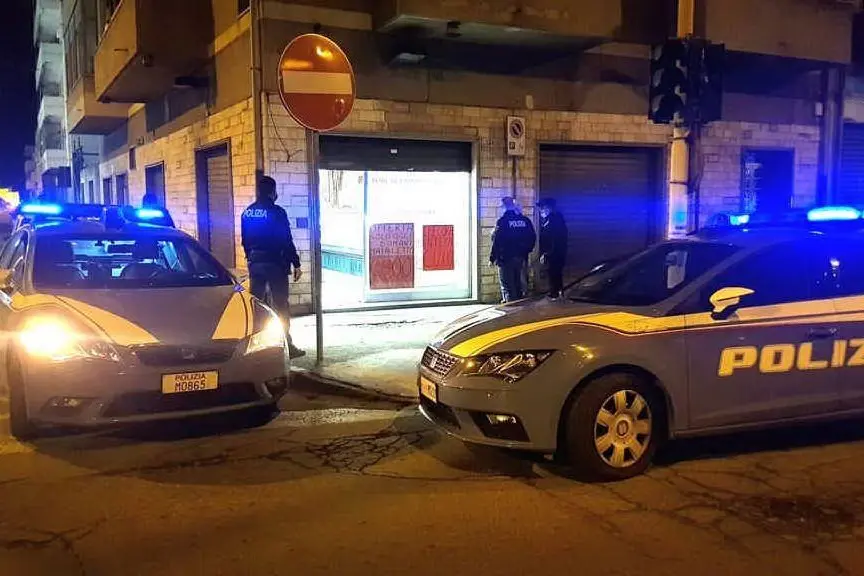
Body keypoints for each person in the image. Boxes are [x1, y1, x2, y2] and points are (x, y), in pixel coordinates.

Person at [241, 174, 305, 358]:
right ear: (272, 192)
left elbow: (244, 240)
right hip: (275, 265)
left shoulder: (248, 212)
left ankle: (254, 347)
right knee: (281, 306)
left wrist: (250, 258)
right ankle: (286, 346)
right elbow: (286, 239)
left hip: (255, 264)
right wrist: (296, 263)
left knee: (257, 307)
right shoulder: (277, 212)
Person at [490, 196, 536, 303]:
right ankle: (519, 305)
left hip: (506, 258)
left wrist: (492, 257)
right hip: (521, 258)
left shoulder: (503, 221)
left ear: (504, 207)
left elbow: (498, 241)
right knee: (518, 284)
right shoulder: (525, 220)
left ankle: (510, 308)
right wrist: (526, 251)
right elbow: (532, 237)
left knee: (507, 285)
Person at [537, 197, 569, 299]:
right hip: (556, 253)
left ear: (547, 208)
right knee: (555, 274)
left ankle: (554, 294)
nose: (540, 211)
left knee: (554, 274)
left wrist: (547, 254)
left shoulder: (553, 220)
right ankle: (558, 293)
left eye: (542, 208)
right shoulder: (554, 219)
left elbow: (554, 239)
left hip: (554, 254)